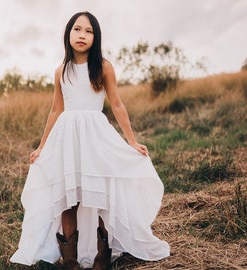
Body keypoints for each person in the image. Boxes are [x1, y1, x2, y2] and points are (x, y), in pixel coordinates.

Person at [10, 11, 170, 269]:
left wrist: (131, 141)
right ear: (68, 34)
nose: (82, 35)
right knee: (67, 197)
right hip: (67, 137)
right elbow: (55, 109)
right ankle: (70, 260)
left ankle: (102, 256)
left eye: (88, 31)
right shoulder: (61, 71)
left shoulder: (103, 67)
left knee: (101, 196)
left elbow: (117, 104)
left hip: (96, 135)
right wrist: (41, 147)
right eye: (77, 29)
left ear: (95, 37)